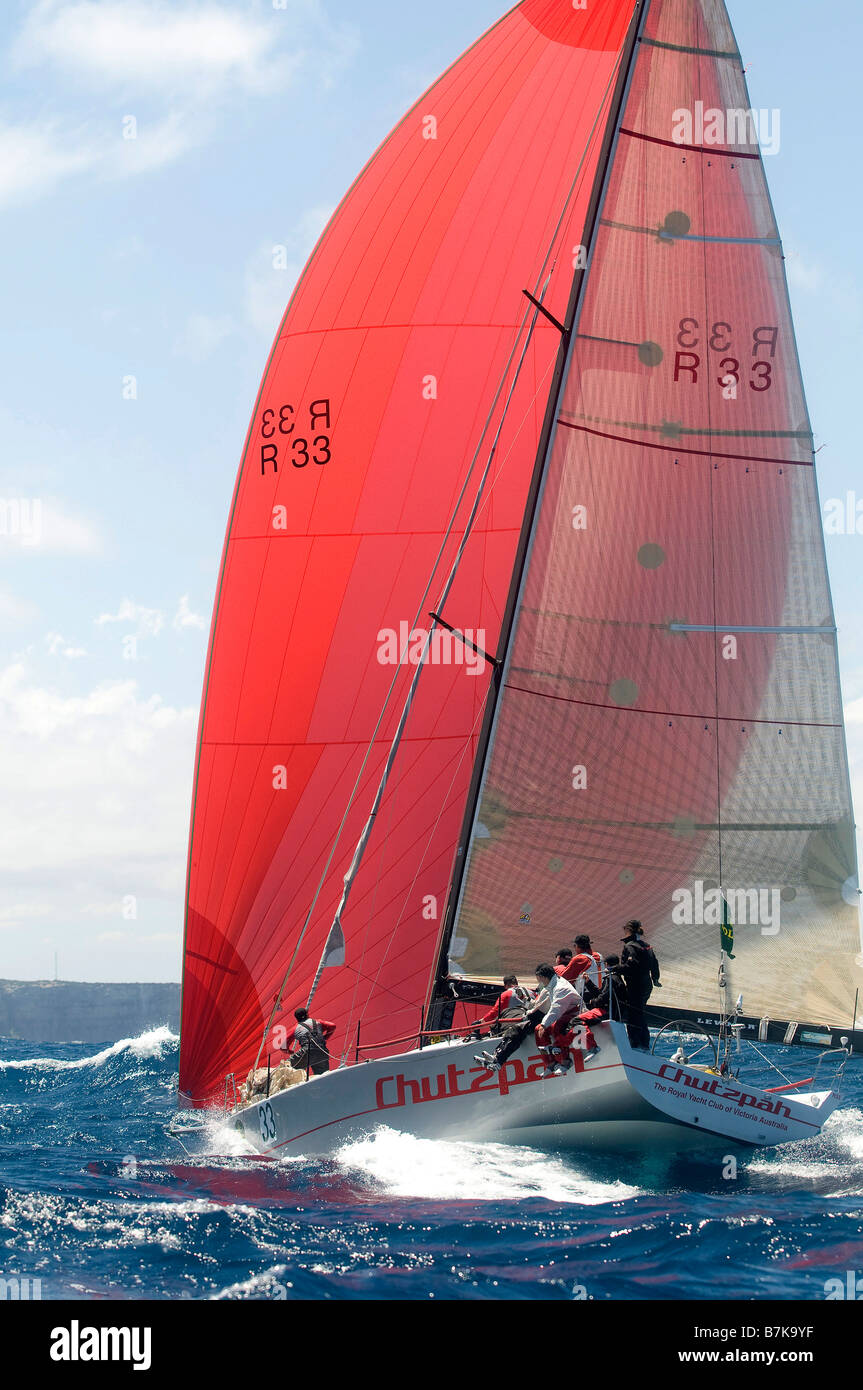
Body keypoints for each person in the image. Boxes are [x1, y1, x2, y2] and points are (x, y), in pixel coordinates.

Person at [532, 963, 586, 1077]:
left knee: (557, 1027)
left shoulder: (560, 987)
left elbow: (557, 1009)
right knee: (538, 1030)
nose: (540, 983)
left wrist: (544, 1024)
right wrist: (542, 1025)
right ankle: (551, 1063)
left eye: (539, 980)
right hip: (564, 1012)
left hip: (575, 1012)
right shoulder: (552, 984)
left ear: (544, 977)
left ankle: (566, 1061)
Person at [619, 920, 660, 1050]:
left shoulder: (630, 946)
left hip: (636, 985)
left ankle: (635, 1044)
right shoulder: (647, 946)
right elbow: (655, 963)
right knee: (640, 1013)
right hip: (647, 984)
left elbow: (631, 966)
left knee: (633, 1015)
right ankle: (644, 1044)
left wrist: (615, 969)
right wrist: (655, 979)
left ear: (628, 931)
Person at [471, 974, 535, 1033]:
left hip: (515, 1028)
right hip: (532, 1025)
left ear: (505, 986)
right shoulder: (531, 992)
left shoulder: (506, 994)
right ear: (517, 983)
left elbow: (494, 1012)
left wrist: (480, 1022)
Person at [282, 1007, 336, 1076]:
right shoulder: (318, 1022)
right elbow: (332, 1026)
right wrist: (326, 1037)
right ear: (307, 1014)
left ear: (296, 1018)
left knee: (285, 1068)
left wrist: (289, 1051)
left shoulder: (295, 1028)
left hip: (306, 1052)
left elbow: (283, 1047)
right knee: (323, 1076)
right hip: (322, 1051)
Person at [578, 954, 627, 1023]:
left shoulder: (611, 979)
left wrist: (591, 1002)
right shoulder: (617, 978)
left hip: (607, 1013)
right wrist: (588, 982)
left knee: (577, 1020)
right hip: (616, 1014)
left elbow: (603, 998)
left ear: (606, 964)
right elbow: (602, 994)